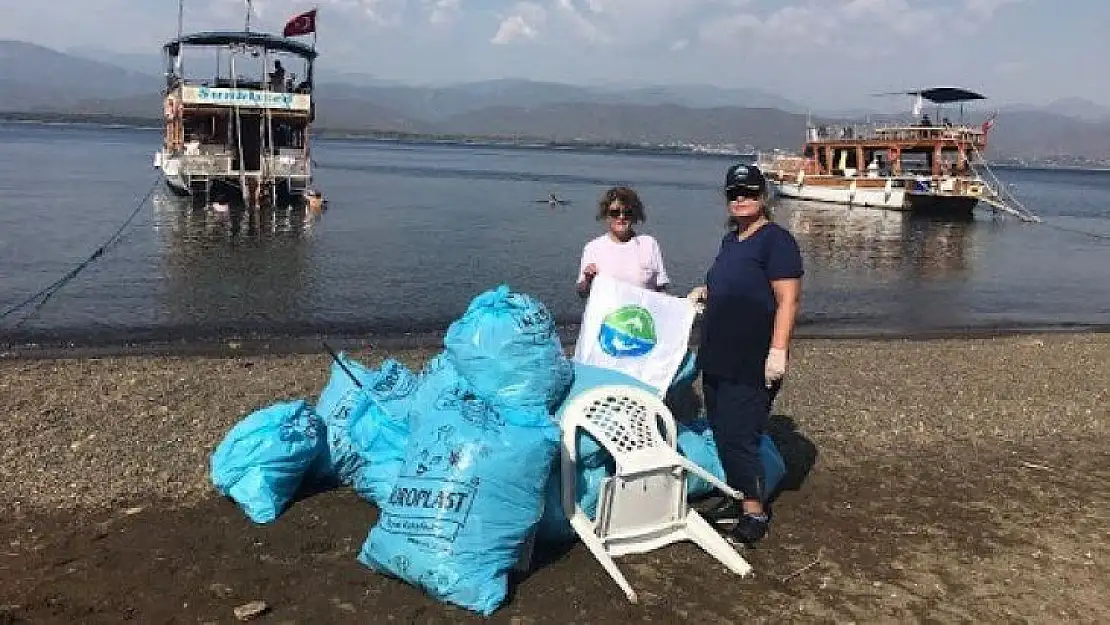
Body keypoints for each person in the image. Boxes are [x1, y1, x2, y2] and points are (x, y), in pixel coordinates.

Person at [686, 164, 803, 545]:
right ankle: (738, 496)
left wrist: (778, 351)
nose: (740, 199)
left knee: (741, 435)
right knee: (720, 431)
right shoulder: (731, 240)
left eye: (749, 192)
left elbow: (787, 300)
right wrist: (706, 290)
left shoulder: (776, 241)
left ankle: (755, 512)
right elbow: (735, 282)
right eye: (734, 193)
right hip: (718, 355)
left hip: (753, 359)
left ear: (763, 195)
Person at [576, 186, 669, 297]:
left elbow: (661, 291)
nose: (621, 217)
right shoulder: (593, 247)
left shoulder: (649, 244)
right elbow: (582, 293)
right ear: (606, 215)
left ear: (635, 216)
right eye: (615, 212)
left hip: (641, 313)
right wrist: (587, 280)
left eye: (627, 212)